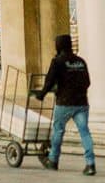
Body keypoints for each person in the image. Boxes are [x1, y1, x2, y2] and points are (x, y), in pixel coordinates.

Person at [41, 32, 95, 175]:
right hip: (81, 103)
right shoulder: (81, 61)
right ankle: (90, 164)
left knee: (58, 130)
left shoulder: (57, 61)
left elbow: (49, 81)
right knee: (85, 132)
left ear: (58, 45)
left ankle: (53, 160)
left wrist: (42, 94)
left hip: (64, 102)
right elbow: (87, 82)